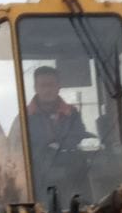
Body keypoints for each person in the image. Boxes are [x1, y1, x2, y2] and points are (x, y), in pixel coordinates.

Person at [10, 66, 90, 197]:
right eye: (43, 85)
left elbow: (79, 138)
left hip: (71, 179)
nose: (47, 89)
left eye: (51, 85)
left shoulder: (72, 114)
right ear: (35, 88)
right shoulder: (24, 118)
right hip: (36, 182)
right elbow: (15, 150)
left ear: (59, 87)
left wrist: (58, 147)